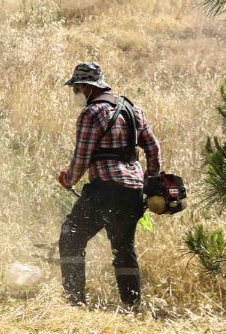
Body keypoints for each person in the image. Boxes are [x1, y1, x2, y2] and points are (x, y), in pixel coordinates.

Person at [56, 61, 161, 308]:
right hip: (133, 191)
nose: (75, 94)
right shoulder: (133, 109)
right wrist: (150, 182)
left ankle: (75, 302)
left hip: (104, 189)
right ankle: (132, 305)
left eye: (75, 89)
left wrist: (68, 180)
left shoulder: (91, 113)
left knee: (70, 237)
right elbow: (153, 148)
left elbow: (82, 157)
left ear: (86, 86)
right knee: (124, 249)